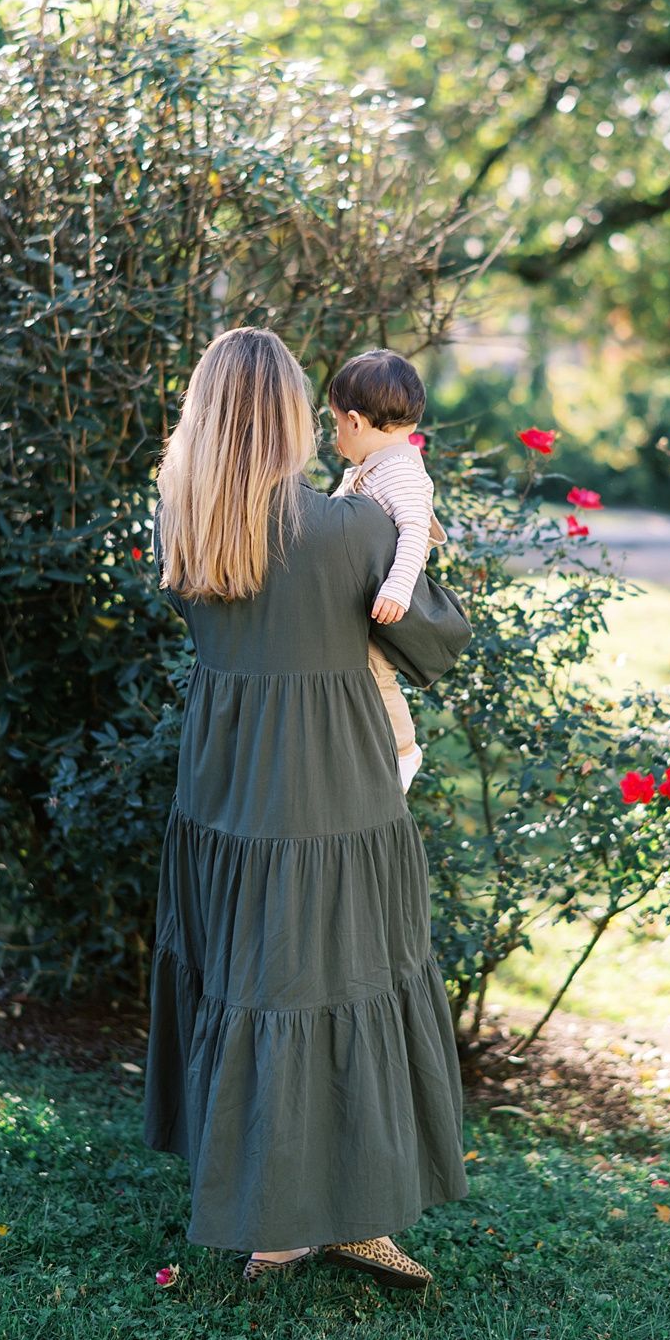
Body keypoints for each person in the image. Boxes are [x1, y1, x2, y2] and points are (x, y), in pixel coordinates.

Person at [143, 327, 471, 1289]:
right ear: (294, 415)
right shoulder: (354, 528)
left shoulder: (187, 520)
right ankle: (327, 1215)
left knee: (251, 977)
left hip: (227, 786)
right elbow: (434, 639)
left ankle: (282, 1216)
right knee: (342, 974)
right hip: (333, 790)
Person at [328, 349, 446, 793]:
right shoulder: (380, 466)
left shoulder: (398, 471)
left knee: (376, 675)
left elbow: (415, 531)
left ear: (356, 422)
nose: (336, 436)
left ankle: (403, 751)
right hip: (372, 593)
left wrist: (398, 588)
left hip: (387, 599)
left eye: (337, 424)